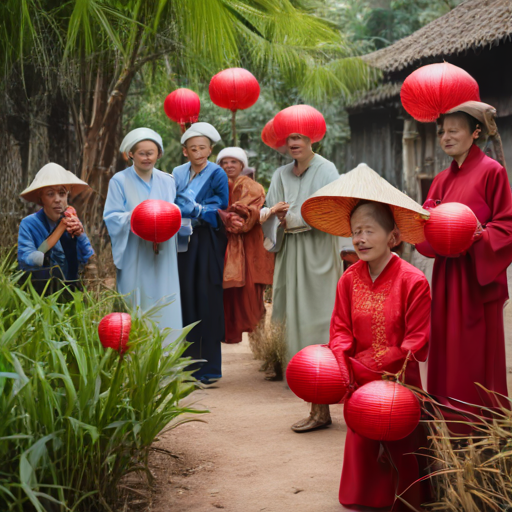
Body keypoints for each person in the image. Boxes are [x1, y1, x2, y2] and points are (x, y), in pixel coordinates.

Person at [302, 163, 431, 510]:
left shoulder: (413, 280)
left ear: (393, 237)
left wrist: (380, 366)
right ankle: (364, 496)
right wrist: (345, 368)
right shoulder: (348, 278)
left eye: (369, 231)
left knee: (401, 443)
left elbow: (416, 341)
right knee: (363, 445)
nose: (359, 239)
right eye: (355, 231)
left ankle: (407, 497)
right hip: (357, 381)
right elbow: (340, 330)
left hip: (400, 383)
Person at [416, 103, 512, 409]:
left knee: (476, 354)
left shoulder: (492, 172)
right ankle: (447, 423)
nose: (446, 136)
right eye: (442, 131)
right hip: (446, 277)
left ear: (476, 132)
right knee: (446, 350)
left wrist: (479, 236)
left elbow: (507, 225)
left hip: (476, 280)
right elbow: (425, 228)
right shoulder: (441, 180)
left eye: (454, 129)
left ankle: (480, 431)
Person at [263, 110, 342, 430]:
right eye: (289, 138)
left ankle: (323, 388)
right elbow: (267, 209)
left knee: (320, 315)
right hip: (290, 251)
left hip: (319, 249)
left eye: (299, 137)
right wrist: (273, 214)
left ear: (312, 138)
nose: (293, 143)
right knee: (289, 315)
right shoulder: (281, 173)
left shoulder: (327, 169)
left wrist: (290, 216)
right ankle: (301, 378)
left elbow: (331, 207)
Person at [103, 127, 182, 346]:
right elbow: (111, 216)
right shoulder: (118, 180)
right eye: (141, 153)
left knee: (165, 298)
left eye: (151, 152)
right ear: (130, 154)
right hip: (134, 249)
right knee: (135, 299)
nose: (147, 157)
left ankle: (167, 358)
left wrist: (165, 220)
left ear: (159, 153)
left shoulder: (168, 180)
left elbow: (176, 212)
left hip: (163, 250)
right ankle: (137, 359)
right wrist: (139, 217)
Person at [173, 122, 229, 384]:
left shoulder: (217, 173)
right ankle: (187, 366)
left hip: (206, 240)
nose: (198, 152)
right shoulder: (176, 173)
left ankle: (209, 369)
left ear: (210, 149)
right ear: (185, 151)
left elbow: (222, 206)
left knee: (207, 298)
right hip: (181, 241)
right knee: (186, 298)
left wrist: (197, 209)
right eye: (192, 148)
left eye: (202, 148)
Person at [216, 147, 274, 344]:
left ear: (242, 165)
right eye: (224, 162)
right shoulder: (217, 185)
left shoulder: (252, 187)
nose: (229, 165)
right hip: (225, 247)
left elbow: (247, 217)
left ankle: (261, 346)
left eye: (233, 162)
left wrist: (227, 215)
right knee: (231, 296)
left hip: (250, 247)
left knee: (251, 296)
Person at [18, 163, 94, 293]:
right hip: (40, 292)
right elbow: (27, 259)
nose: (57, 199)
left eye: (62, 193)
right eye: (50, 194)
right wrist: (59, 230)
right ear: (41, 198)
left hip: (72, 290)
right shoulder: (29, 224)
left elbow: (87, 257)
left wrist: (80, 235)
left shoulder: (72, 221)